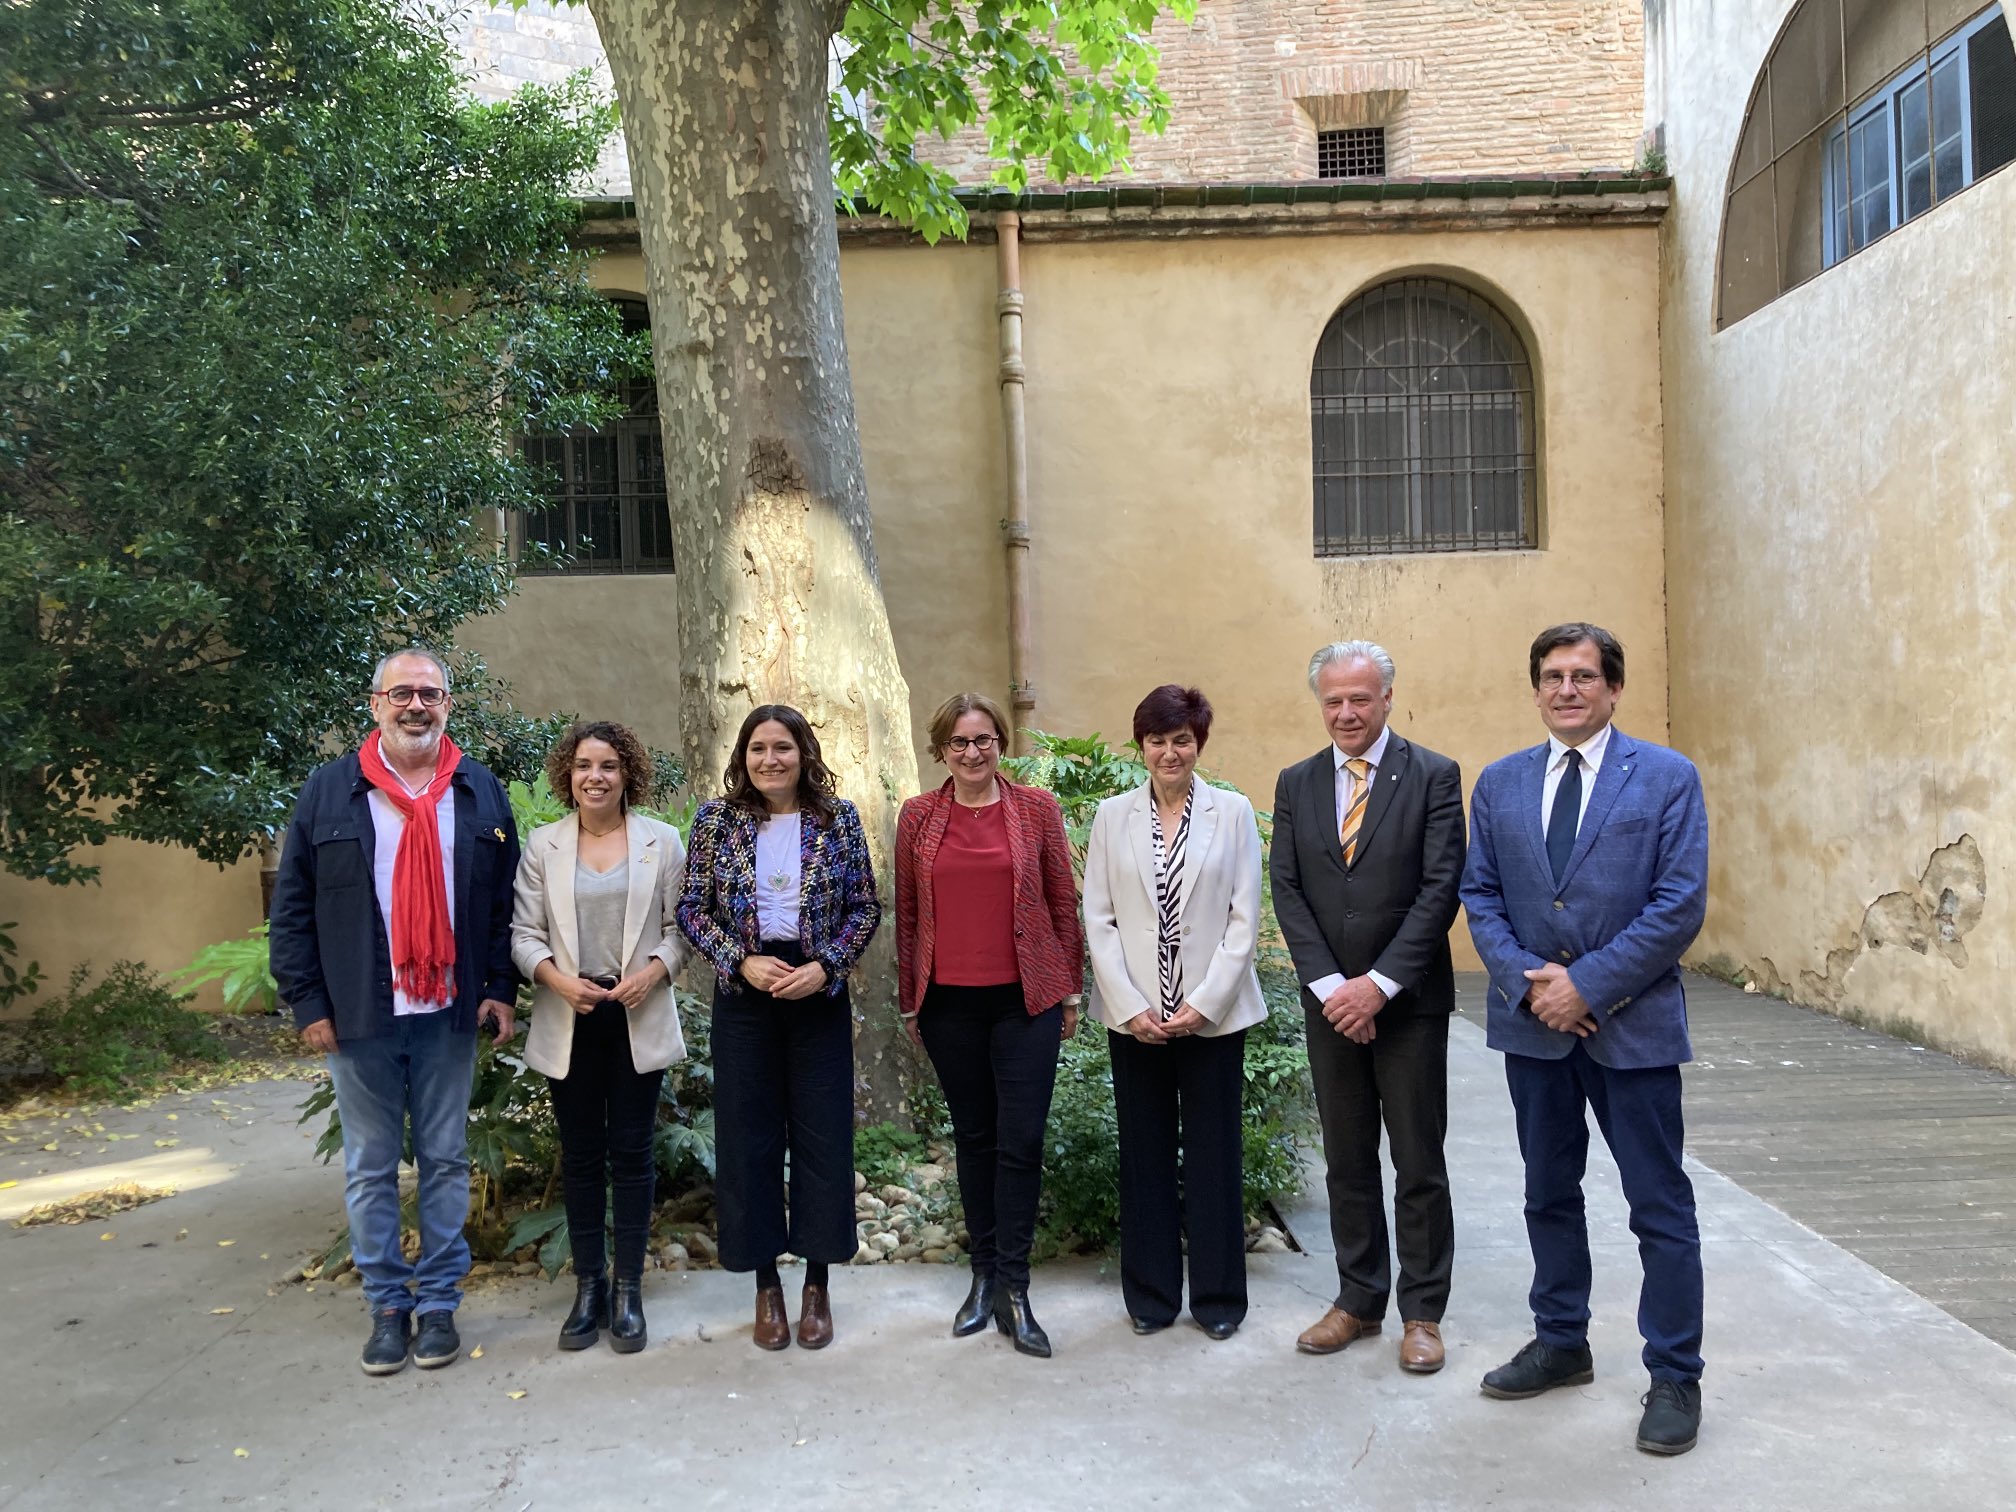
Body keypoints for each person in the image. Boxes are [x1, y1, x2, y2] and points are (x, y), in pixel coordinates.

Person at [1460, 622, 1709, 1456]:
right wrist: (1531, 984)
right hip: (1533, 1029)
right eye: (1552, 677)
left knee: (1659, 1206)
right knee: (1548, 1193)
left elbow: (1679, 902)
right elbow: (1480, 894)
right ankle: (1561, 1340)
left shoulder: (1666, 777)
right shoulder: (1500, 783)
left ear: (1613, 688)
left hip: (1632, 1028)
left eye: (1583, 676)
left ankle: (1675, 1374)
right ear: (1536, 690)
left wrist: (1588, 985)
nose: (1566, 690)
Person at [269, 647, 520, 1377]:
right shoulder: (329, 791)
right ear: (376, 704)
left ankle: (438, 1303)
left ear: (447, 705)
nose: (416, 705)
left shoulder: (478, 790)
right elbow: (293, 909)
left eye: (430, 694)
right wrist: (308, 1001)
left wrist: (499, 986)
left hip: (448, 1010)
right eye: (402, 693)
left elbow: (503, 906)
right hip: (359, 1015)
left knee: (444, 1159)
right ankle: (386, 1306)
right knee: (371, 1166)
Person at [1270, 640, 1465, 1374]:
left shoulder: (1434, 775)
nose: (1346, 712)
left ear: (1387, 697)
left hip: (1407, 1004)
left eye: (1360, 698)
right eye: (1333, 700)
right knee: (1346, 1160)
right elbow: (1287, 888)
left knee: (1418, 1160)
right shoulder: (1296, 783)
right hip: (1331, 1008)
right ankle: (1357, 1299)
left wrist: (1378, 985)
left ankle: (1423, 1313)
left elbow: (1440, 888)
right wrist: (1332, 988)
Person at [675, 705, 880, 1351]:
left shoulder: (837, 818)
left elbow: (865, 907)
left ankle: (817, 1284)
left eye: (782, 747)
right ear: (743, 757)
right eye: (759, 748)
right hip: (746, 994)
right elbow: (692, 909)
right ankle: (766, 1284)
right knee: (748, 1138)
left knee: (823, 1138)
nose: (771, 759)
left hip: (816, 993)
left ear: (803, 754)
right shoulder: (716, 820)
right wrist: (739, 959)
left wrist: (827, 966)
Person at [895, 692, 1084, 1358]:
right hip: (948, 1005)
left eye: (984, 740)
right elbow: (908, 913)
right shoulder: (918, 816)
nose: (972, 752)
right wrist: (910, 1001)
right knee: (974, 1139)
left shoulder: (1036, 809)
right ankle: (982, 1279)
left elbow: (1062, 901)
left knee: (1021, 1141)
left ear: (1001, 743)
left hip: (1025, 1003)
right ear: (941, 750)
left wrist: (1070, 992)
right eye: (959, 742)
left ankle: (1016, 1286)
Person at [1083, 685, 1265, 1340]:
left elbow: (1244, 918)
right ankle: (1151, 1297)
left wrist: (1204, 1003)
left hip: (1213, 1018)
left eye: (1181, 740)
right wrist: (1131, 1005)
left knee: (1214, 1157)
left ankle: (1219, 1300)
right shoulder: (1113, 817)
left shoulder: (1233, 813)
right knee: (1145, 1155)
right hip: (1137, 1021)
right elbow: (1098, 917)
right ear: (1141, 746)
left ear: (1199, 744)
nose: (1169, 752)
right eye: (1157, 740)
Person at [511, 721, 688, 1354]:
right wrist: (557, 980)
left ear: (627, 773)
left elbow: (683, 927)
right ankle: (589, 1288)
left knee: (633, 1155)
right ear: (569, 773)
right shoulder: (544, 845)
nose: (596, 776)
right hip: (571, 1017)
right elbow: (523, 934)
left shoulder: (663, 842)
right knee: (581, 1156)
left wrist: (655, 971)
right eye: (585, 765)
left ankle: (629, 1289)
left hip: (637, 1014)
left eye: (609, 765)